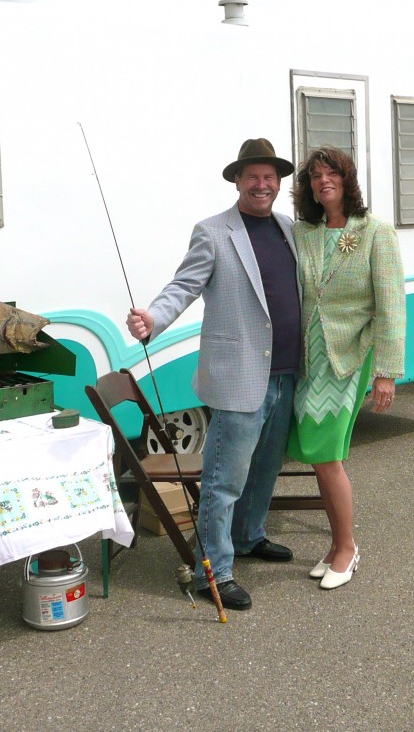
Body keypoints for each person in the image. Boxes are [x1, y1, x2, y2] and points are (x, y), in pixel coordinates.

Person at [125, 138, 301, 611]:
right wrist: (153, 319)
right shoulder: (213, 231)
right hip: (239, 376)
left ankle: (248, 536)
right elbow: (184, 284)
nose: (262, 185)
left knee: (265, 470)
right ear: (238, 181)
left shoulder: (289, 228)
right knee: (225, 480)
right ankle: (214, 572)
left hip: (286, 373)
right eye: (253, 177)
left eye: (270, 177)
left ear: (278, 184)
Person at [288, 146, 405, 590]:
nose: (323, 181)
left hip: (349, 359)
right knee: (320, 460)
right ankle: (337, 544)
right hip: (308, 360)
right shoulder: (304, 233)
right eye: (315, 176)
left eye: (331, 173)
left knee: (329, 456)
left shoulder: (376, 232)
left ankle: (347, 548)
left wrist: (387, 372)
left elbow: (392, 307)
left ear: (347, 178)